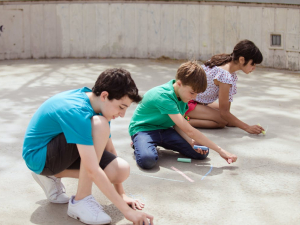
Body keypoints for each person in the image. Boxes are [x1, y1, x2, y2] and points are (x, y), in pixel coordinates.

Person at [22, 68, 154, 225]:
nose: (122, 114)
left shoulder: (100, 106)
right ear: (105, 95)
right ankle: (80, 201)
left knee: (120, 170)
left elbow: (109, 150)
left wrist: (121, 195)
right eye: (121, 107)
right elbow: (91, 169)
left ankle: (52, 176)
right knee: (99, 125)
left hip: (60, 152)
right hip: (39, 157)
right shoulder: (77, 110)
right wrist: (127, 212)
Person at [128, 61, 237, 170]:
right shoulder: (164, 96)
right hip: (143, 130)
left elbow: (177, 125)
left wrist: (191, 142)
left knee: (202, 152)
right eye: (192, 93)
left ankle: (147, 144)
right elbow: (190, 131)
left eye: (197, 94)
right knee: (148, 160)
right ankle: (138, 143)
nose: (194, 97)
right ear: (179, 83)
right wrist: (220, 150)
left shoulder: (183, 95)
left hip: (165, 129)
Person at [186, 40, 265, 134]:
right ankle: (181, 120)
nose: (254, 68)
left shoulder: (224, 64)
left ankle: (187, 116)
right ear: (242, 60)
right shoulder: (225, 75)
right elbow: (224, 113)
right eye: (253, 64)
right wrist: (247, 128)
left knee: (226, 119)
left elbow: (226, 110)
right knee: (222, 121)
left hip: (198, 100)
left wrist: (232, 121)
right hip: (186, 101)